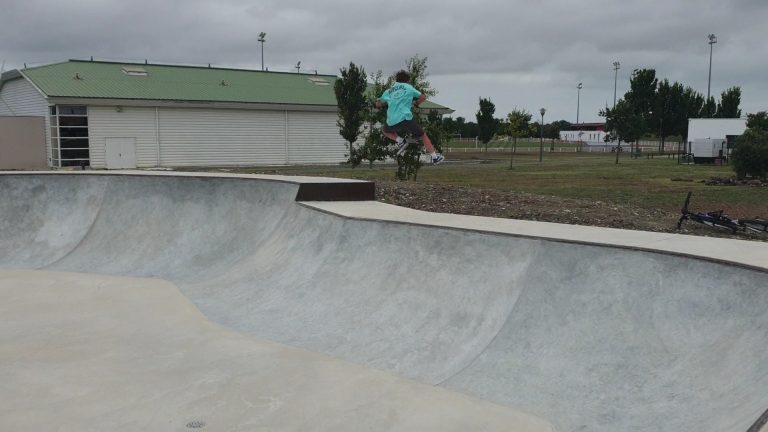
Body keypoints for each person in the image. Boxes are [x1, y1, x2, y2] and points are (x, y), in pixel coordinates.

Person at [375, 70, 445, 164]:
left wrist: (382, 104)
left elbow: (378, 104)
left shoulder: (389, 91)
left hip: (392, 121)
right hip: (406, 118)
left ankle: (400, 140)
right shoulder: (409, 87)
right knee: (423, 135)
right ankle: (435, 157)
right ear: (407, 80)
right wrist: (416, 103)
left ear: (396, 79)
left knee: (385, 130)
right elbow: (423, 97)